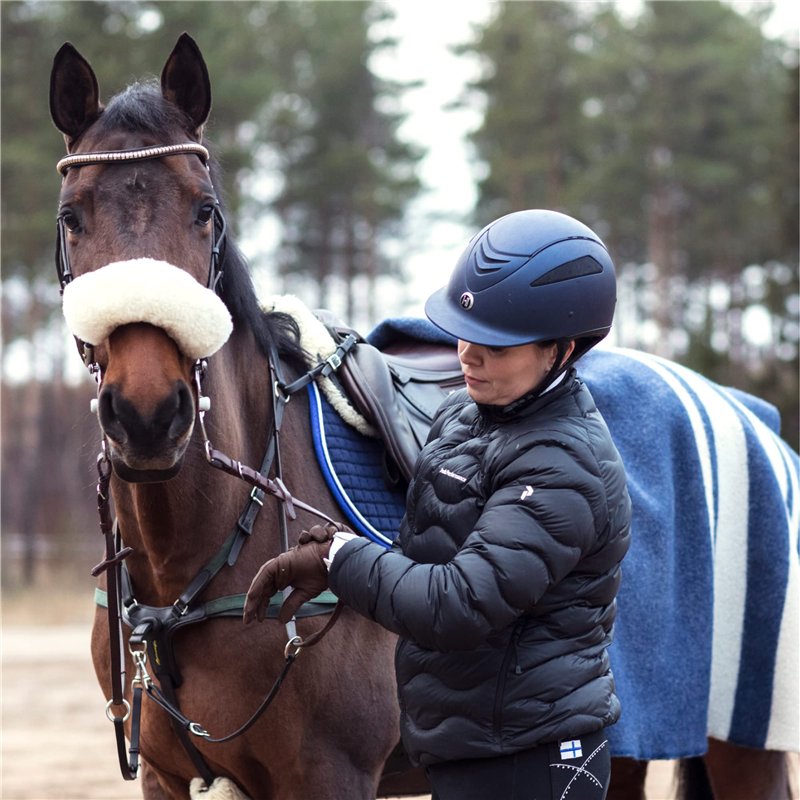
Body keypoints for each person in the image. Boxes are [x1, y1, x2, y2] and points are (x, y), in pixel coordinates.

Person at [244, 209, 632, 800]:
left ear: (561, 349)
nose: (468, 354)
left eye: (497, 346)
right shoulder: (462, 417)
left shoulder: (563, 463)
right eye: (464, 331)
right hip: (470, 750)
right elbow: (422, 556)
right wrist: (332, 561)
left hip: (534, 762)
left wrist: (342, 561)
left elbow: (458, 603)